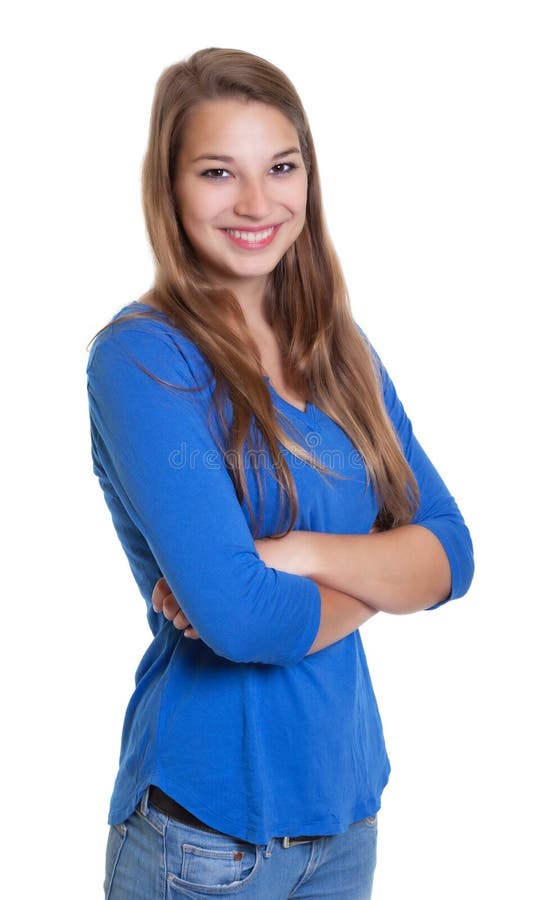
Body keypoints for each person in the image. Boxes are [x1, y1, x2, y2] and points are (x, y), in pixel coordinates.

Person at [86, 47, 474, 900]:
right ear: (170, 186)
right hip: (206, 840)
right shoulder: (144, 360)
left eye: (281, 167)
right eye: (219, 172)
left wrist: (292, 550)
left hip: (345, 815)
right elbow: (244, 622)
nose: (257, 203)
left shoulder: (340, 349)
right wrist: (387, 579)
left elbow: (453, 553)